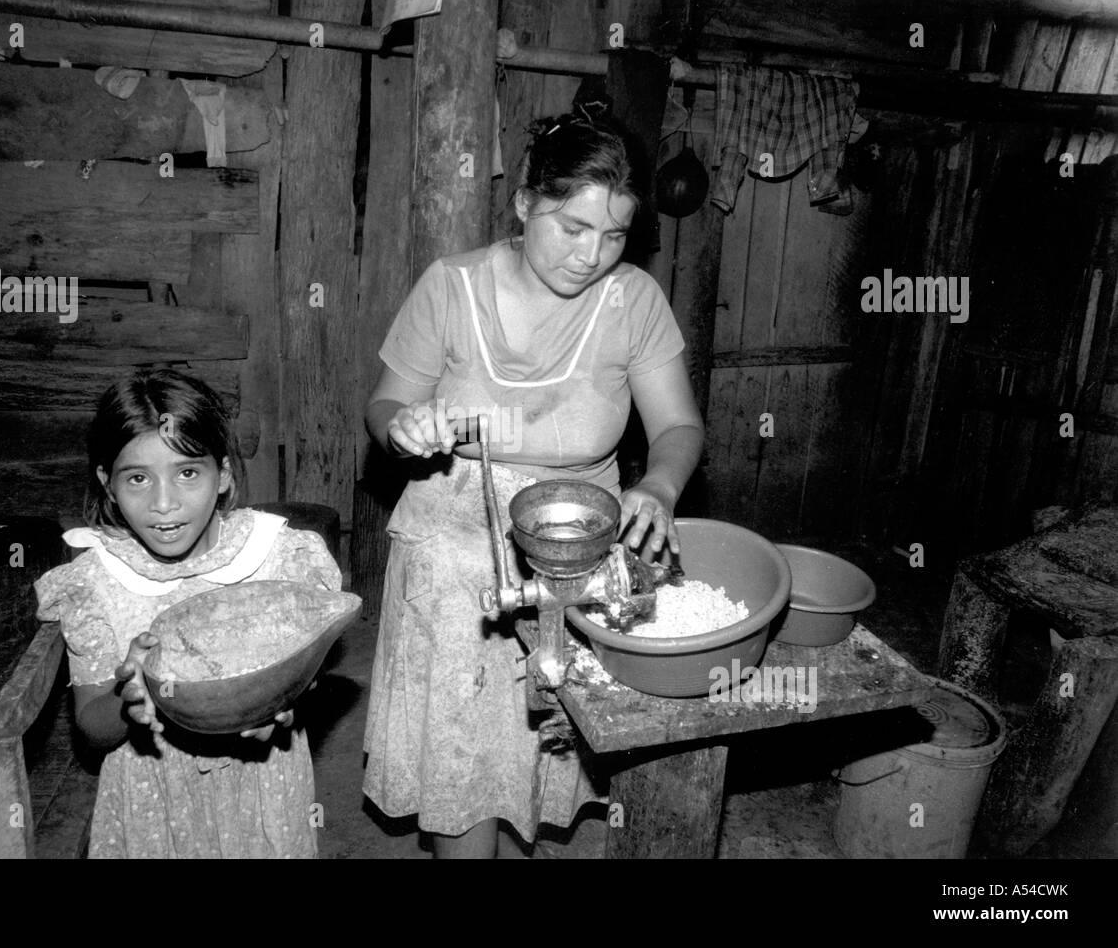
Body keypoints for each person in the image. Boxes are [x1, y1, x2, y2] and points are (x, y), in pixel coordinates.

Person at [362, 105, 706, 858]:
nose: (592, 256)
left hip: (579, 522)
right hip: (457, 522)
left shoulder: (633, 302)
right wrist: (403, 427)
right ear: (524, 203)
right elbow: (385, 403)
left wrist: (662, 486)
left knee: (564, 715)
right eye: (572, 227)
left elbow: (678, 427)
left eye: (614, 235)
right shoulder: (451, 287)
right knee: (463, 729)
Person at [34, 369, 341, 858]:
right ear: (107, 486)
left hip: (263, 791)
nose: (164, 503)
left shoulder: (278, 557)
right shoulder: (96, 582)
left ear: (223, 474)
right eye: (137, 478)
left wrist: (285, 705)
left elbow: (310, 677)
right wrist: (128, 697)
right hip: (151, 805)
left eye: (187, 473)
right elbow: (92, 727)